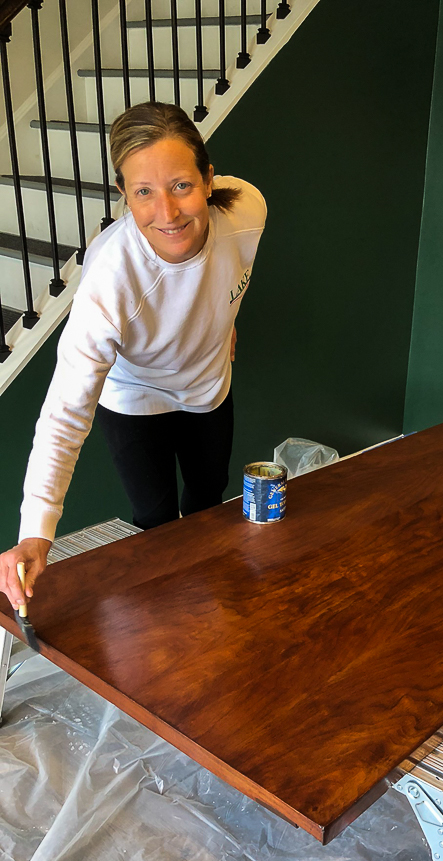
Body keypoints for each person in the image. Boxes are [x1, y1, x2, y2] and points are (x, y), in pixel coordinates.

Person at [0, 101, 266, 611]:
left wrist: (226, 320)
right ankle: (171, 620)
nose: (166, 212)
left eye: (181, 186)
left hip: (209, 385)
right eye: (144, 192)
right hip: (134, 397)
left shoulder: (248, 209)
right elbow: (64, 414)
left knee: (209, 502)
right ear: (124, 195)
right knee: (156, 522)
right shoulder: (109, 280)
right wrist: (36, 532)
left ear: (208, 179)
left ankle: (210, 606)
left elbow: (236, 269)